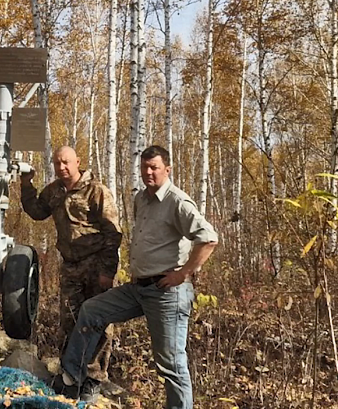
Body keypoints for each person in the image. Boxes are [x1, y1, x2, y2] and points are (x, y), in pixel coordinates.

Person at [55, 145, 218, 408]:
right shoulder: (141, 199)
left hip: (167, 292)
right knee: (92, 310)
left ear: (167, 169)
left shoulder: (177, 202)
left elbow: (208, 238)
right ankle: (71, 377)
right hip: (138, 288)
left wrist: (183, 274)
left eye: (154, 167)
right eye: (144, 167)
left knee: (171, 364)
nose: (148, 172)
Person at [20, 146, 122, 394]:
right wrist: (26, 184)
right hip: (71, 266)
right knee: (70, 319)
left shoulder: (96, 191)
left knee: (100, 322)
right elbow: (36, 211)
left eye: (66, 162)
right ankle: (70, 375)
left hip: (97, 263)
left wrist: (108, 271)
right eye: (57, 163)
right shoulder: (54, 191)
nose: (62, 167)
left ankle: (96, 378)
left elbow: (113, 232)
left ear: (78, 162)